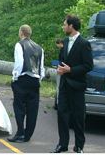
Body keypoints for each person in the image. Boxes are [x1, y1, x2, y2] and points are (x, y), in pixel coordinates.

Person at [52, 15, 93, 153]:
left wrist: (71, 70)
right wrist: (59, 69)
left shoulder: (84, 43)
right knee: (62, 116)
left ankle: (79, 146)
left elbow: (88, 66)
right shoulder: (64, 42)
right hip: (64, 85)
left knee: (78, 117)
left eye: (65, 24)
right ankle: (62, 145)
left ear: (71, 26)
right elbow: (61, 61)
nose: (63, 27)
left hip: (77, 85)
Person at [8, 25, 45, 143]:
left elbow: (19, 63)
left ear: (21, 32)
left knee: (19, 107)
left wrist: (15, 77)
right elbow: (41, 67)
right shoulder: (40, 48)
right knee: (32, 109)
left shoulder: (20, 45)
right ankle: (28, 135)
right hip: (35, 81)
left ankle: (20, 133)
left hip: (23, 79)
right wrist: (39, 79)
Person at [54, 38, 64, 110]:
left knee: (58, 87)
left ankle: (58, 104)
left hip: (61, 71)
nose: (57, 46)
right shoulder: (65, 50)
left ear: (59, 43)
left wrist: (59, 67)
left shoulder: (63, 51)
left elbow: (61, 61)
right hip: (63, 70)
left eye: (57, 45)